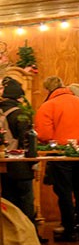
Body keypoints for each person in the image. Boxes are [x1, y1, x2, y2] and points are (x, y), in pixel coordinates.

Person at [35, 76, 79, 242]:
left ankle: (69, 230)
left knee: (64, 192)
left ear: (48, 90)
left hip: (62, 152)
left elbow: (44, 135)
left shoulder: (48, 106)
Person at [0, 78, 38, 224]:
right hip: (21, 165)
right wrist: (33, 162)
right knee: (25, 201)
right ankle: (29, 238)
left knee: (9, 202)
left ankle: (11, 238)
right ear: (19, 96)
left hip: (3, 163)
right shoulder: (21, 114)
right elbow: (28, 139)